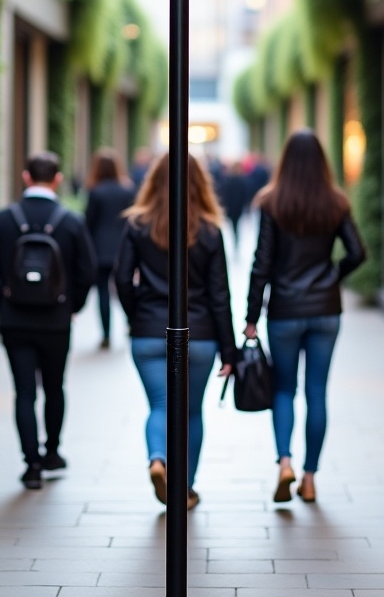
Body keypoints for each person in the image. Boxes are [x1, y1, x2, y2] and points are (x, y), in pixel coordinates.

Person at [244, 128, 366, 505]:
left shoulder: (271, 202)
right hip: (325, 309)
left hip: (283, 310)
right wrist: (332, 277)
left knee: (283, 389)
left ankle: (284, 463)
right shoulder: (336, 202)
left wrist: (250, 316)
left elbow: (261, 263)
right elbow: (358, 252)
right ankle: (310, 478)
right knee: (317, 393)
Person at [114, 152, 237, 511]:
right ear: (201, 184)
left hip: (149, 333)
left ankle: (157, 459)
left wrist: (136, 315)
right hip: (199, 336)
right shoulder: (210, 230)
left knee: (160, 405)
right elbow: (220, 294)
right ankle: (184, 488)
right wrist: (229, 350)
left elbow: (121, 278)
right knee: (192, 413)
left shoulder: (136, 225)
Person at [0, 151, 96, 490]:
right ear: (58, 179)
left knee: (24, 392)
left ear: (25, 177)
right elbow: (86, 272)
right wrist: (72, 306)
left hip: (15, 320)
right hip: (56, 321)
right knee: (55, 387)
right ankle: (52, 452)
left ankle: (30, 464)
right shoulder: (70, 221)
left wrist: (1, 307)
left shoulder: (2, 220)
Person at [84, 148, 136, 348]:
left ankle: (106, 334)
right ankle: (130, 322)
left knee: (103, 293)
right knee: (125, 286)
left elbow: (89, 222)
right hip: (124, 248)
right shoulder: (127, 190)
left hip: (100, 250)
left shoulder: (95, 191)